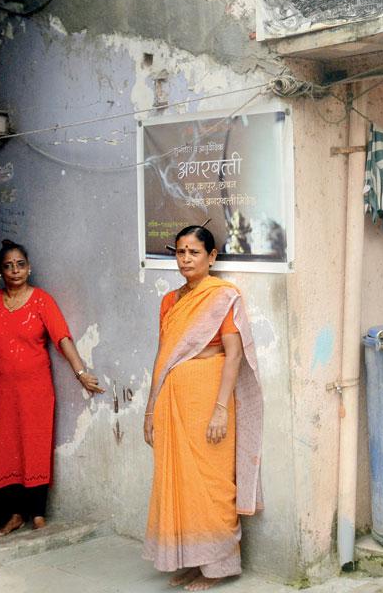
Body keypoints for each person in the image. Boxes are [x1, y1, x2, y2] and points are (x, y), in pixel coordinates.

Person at [144, 225, 264, 591]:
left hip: (209, 399)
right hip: (173, 403)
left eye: (194, 252)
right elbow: (163, 357)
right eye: (180, 252)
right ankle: (194, 562)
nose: (185, 259)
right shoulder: (169, 301)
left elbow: (233, 354)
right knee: (180, 482)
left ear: (211, 257)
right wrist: (150, 410)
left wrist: (220, 409)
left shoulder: (223, 296)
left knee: (212, 484)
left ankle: (219, 566)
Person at [0, 240, 104, 537]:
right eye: (8, 266)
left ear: (29, 268)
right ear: (0, 271)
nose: (15, 271)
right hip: (0, 391)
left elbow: (62, 338)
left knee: (35, 445)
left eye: (20, 265)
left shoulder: (42, 300)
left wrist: (80, 373)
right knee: (4, 448)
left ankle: (38, 513)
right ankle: (15, 515)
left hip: (35, 389)